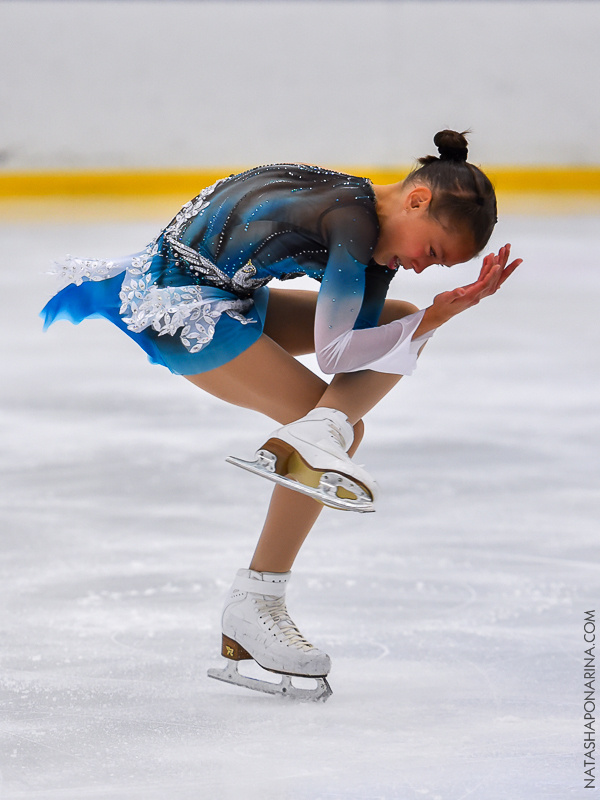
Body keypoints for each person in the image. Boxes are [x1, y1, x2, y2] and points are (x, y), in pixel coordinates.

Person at [41, 130, 521, 700]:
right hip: (177, 305)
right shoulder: (355, 221)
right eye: (434, 252)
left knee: (395, 329)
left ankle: (317, 441)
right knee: (343, 425)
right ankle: (256, 599)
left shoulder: (372, 237)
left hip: (228, 296)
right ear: (417, 201)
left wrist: (430, 317)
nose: (423, 266)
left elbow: (354, 338)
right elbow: (338, 353)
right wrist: (436, 320)